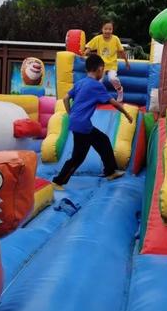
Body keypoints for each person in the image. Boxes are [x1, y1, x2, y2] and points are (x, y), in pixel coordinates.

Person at [52, 54, 133, 189]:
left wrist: (70, 113)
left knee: (102, 140)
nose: (103, 73)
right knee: (78, 157)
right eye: (103, 70)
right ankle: (58, 181)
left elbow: (65, 98)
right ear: (100, 69)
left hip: (77, 122)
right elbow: (114, 102)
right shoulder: (96, 86)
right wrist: (127, 114)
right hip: (83, 125)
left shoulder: (80, 83)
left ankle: (110, 171)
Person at [83, 20, 130, 102]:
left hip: (112, 65)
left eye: (110, 29)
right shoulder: (98, 38)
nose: (107, 31)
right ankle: (98, 97)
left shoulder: (115, 39)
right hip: (101, 66)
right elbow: (89, 47)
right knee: (98, 82)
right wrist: (84, 53)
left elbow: (121, 51)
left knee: (112, 78)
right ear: (102, 29)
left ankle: (120, 90)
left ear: (112, 30)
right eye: (105, 29)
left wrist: (126, 62)